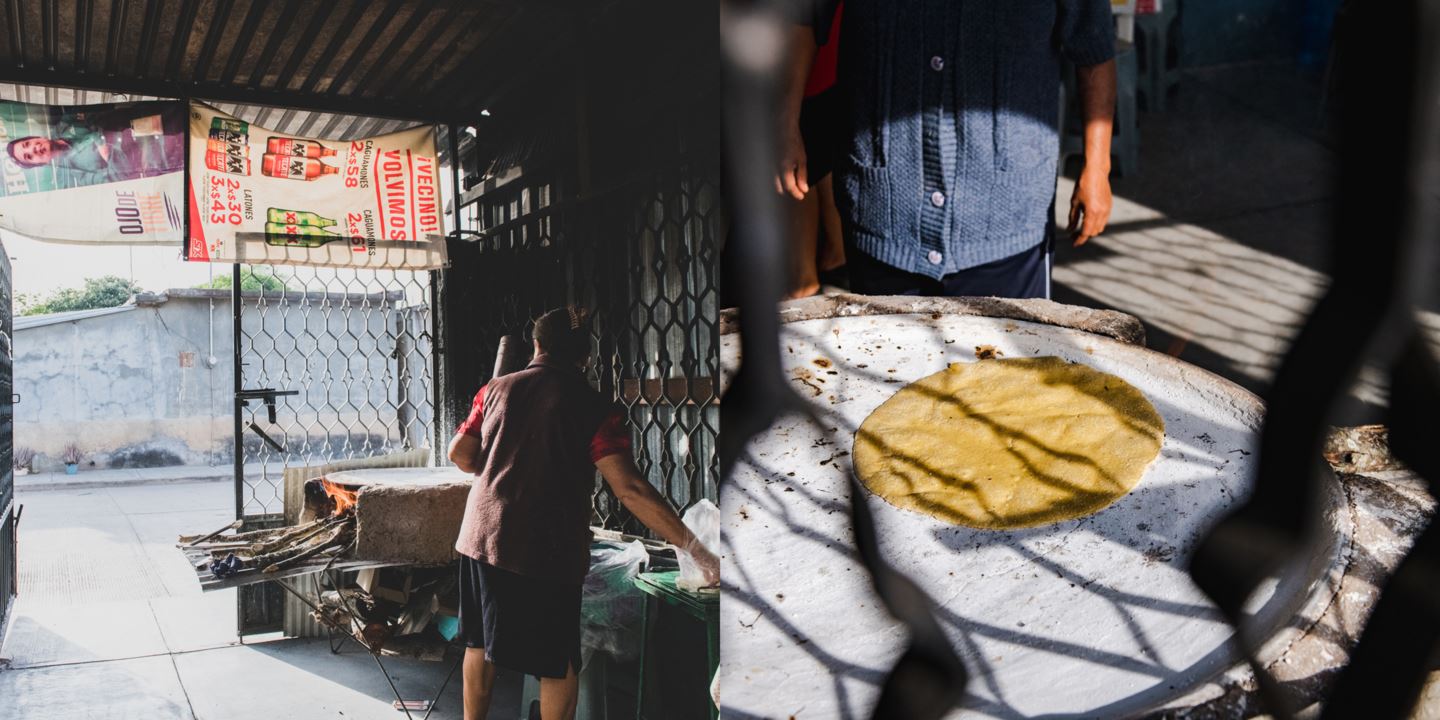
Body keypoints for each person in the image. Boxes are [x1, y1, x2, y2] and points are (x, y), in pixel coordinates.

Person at [446, 306, 720, 720]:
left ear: (536, 346)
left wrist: (501, 448)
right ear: (585, 357)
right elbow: (629, 488)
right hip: (544, 550)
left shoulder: (494, 390)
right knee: (558, 663)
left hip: (479, 537)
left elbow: (461, 454)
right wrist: (697, 549)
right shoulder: (592, 407)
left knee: (480, 645)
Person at [778, 0, 1118, 299]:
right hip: (886, 215)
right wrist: (785, 123)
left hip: (1008, 224)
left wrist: (1097, 167)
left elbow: (1095, 49)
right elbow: (800, 17)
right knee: (888, 369)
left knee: (1011, 370)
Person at [785, 1, 847, 299]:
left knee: (800, 162)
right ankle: (832, 257)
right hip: (825, 50)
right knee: (820, 155)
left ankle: (804, 279)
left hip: (808, 49)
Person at [6, 103, 185, 187]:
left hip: (155, 116)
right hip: (161, 151)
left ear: (35, 136)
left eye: (28, 143)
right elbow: (114, 179)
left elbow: (95, 112)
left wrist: (100, 139)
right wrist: (110, 155)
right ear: (40, 163)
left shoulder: (65, 122)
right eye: (29, 156)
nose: (34, 149)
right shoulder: (73, 175)